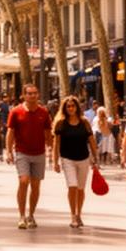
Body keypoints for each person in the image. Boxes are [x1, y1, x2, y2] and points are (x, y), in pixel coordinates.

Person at [5, 85, 53, 230]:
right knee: (24, 181)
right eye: (30, 94)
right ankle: (21, 216)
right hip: (22, 152)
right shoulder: (16, 112)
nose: (32, 96)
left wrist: (50, 149)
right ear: (24, 95)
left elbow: (48, 133)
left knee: (36, 186)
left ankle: (31, 215)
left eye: (35, 93)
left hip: (39, 153)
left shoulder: (44, 112)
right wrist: (8, 151)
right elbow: (10, 132)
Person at [52, 95, 95, 229]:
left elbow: (92, 141)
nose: (71, 108)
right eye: (68, 106)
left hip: (84, 158)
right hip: (67, 159)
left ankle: (79, 214)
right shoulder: (61, 123)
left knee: (81, 189)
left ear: (77, 107)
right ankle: (72, 216)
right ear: (64, 108)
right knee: (73, 185)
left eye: (73, 106)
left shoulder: (85, 122)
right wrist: (55, 161)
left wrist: (96, 158)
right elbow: (56, 144)